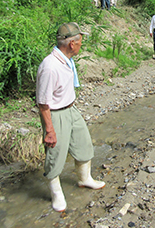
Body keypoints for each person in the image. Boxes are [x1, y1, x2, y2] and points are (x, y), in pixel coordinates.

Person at [36, 22, 105, 213]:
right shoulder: (50, 67)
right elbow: (42, 103)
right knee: (55, 155)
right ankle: (56, 193)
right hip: (55, 114)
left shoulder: (66, 59)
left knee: (83, 144)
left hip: (71, 109)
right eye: (80, 41)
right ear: (72, 44)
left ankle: (85, 179)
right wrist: (49, 130)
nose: (81, 45)